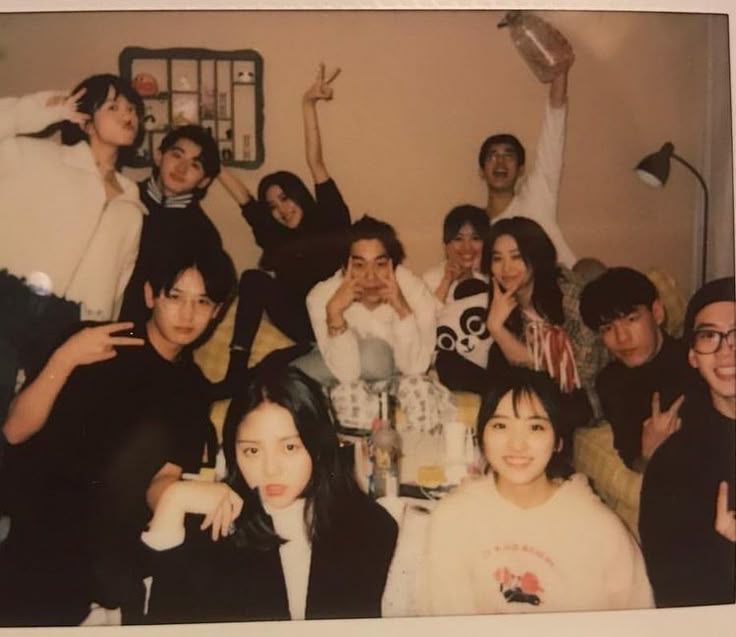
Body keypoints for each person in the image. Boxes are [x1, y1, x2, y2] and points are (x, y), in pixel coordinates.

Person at [0, 240, 236, 626]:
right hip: (38, 516)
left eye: (203, 302)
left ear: (217, 311)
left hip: (102, 540)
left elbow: (162, 480)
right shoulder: (93, 340)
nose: (187, 314)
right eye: (175, 296)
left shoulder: (192, 391)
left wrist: (184, 497)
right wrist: (66, 358)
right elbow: (14, 431)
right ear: (150, 295)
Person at [142, 366, 398, 623]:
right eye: (252, 451)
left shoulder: (371, 527)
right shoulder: (216, 527)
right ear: (233, 454)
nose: (271, 469)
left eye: (289, 447)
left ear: (318, 445)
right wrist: (172, 503)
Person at [426, 369, 653, 615]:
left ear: (558, 441)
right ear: (481, 436)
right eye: (501, 425)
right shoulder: (454, 517)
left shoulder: (599, 528)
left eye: (535, 427)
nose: (517, 444)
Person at [0, 73, 147, 423]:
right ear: (86, 120)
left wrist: (100, 329)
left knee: (33, 427)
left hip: (68, 323)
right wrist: (48, 108)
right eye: (113, 106)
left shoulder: (132, 201)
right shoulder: (40, 158)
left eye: (132, 108)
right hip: (11, 298)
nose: (128, 114)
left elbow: (118, 279)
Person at [215, 64, 351, 395]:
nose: (281, 210)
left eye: (285, 199)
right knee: (253, 278)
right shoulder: (275, 237)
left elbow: (315, 162)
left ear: (298, 195)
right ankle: (235, 371)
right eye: (273, 206)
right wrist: (209, 159)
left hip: (335, 320)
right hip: (300, 322)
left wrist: (307, 104)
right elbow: (243, 197)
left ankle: (283, 366)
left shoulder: (330, 217)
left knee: (275, 368)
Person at [296, 215, 447, 432]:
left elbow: (416, 368)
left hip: (404, 376)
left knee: (420, 388)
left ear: (393, 264)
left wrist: (403, 310)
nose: (370, 276)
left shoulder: (413, 289)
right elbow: (346, 374)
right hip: (351, 378)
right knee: (349, 394)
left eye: (380, 264)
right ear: (344, 267)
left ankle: (425, 451)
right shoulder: (322, 297)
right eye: (359, 265)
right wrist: (335, 314)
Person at [639, 277, 736, 607]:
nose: (725, 350)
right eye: (709, 336)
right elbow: (676, 595)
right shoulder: (674, 465)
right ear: (693, 356)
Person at [579, 267, 692, 470]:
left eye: (631, 319)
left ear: (657, 313)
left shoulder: (696, 360)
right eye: (607, 328)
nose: (622, 338)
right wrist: (650, 452)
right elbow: (635, 461)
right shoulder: (611, 383)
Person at [120, 124, 225, 324]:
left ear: (204, 181)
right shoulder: (122, 196)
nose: (181, 168)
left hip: (145, 330)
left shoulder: (203, 233)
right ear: (159, 156)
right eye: (177, 155)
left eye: (195, 165)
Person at [478, 65, 576, 267]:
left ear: (521, 169)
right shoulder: (477, 228)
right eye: (493, 156)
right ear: (481, 172)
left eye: (508, 156)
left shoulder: (537, 196)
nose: (500, 162)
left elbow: (554, 130)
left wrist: (560, 73)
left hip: (568, 281)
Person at [422, 205, 493, 392]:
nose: (467, 247)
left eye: (475, 238)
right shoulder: (431, 279)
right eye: (458, 239)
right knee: (446, 361)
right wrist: (446, 282)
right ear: (447, 245)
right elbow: (423, 326)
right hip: (451, 364)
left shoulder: (495, 277)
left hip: (488, 362)